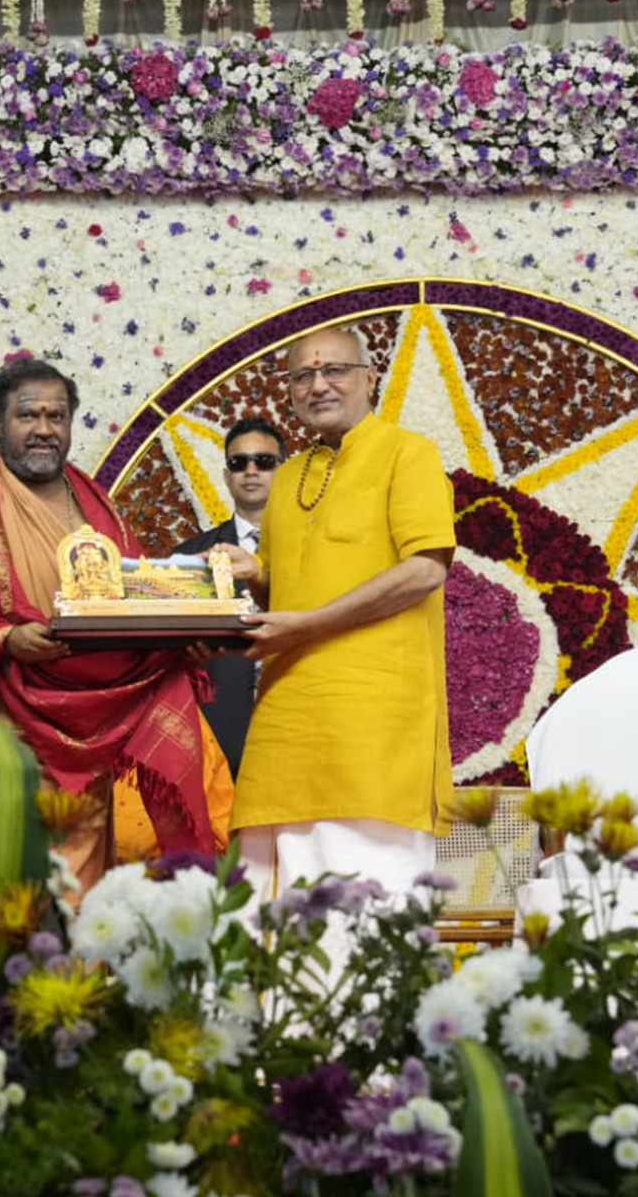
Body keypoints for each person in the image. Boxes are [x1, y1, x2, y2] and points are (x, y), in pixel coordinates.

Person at [0, 358, 223, 892]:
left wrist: (181, 641)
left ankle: (73, 967)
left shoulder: (100, 509)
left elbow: (133, 601)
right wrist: (5, 639)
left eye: (58, 416)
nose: (45, 429)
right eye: (29, 415)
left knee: (78, 879)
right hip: (2, 727)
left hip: (94, 726)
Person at [218, 325, 456, 900]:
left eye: (335, 371)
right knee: (270, 913)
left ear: (369, 379)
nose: (318, 385)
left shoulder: (408, 454)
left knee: (368, 911)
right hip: (285, 726)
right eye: (303, 375)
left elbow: (426, 570)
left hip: (372, 729)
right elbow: (286, 592)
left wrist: (305, 625)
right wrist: (253, 575)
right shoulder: (289, 476)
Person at [172, 415, 288, 777]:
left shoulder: (316, 550)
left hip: (300, 721)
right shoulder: (192, 557)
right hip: (219, 730)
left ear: (283, 471)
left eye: (264, 462)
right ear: (226, 476)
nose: (250, 471)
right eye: (239, 463)